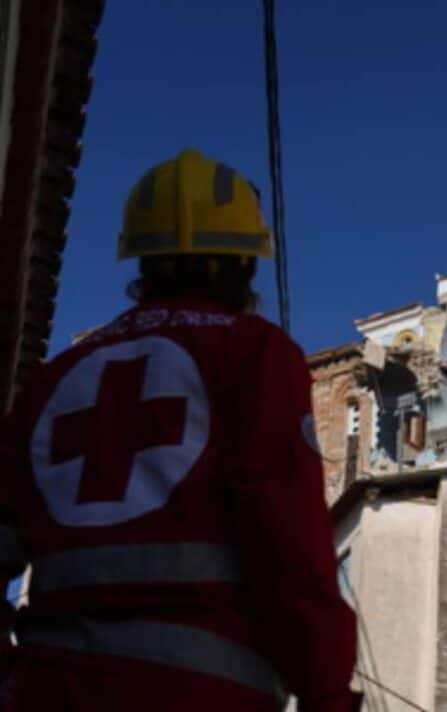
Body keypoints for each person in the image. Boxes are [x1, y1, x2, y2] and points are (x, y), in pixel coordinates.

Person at [0, 149, 361, 711]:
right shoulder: (254, 354)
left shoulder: (55, 379)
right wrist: (327, 691)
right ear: (244, 262)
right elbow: (290, 540)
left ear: (140, 261)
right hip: (200, 694)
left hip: (43, 693)